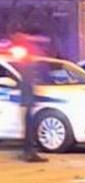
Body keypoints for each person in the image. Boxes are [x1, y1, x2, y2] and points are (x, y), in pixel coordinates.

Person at [12, 32, 49, 163]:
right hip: (25, 100)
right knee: (28, 127)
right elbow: (24, 80)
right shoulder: (22, 58)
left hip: (27, 100)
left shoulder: (24, 59)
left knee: (29, 127)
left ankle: (29, 152)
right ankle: (29, 153)